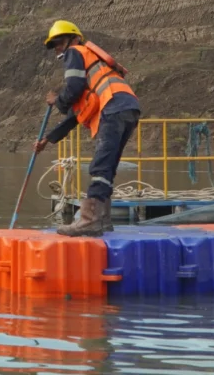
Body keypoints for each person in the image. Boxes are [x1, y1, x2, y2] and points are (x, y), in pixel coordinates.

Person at [33, 20, 141, 237]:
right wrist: (48, 139)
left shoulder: (75, 52)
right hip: (128, 108)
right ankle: (102, 221)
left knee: (100, 167)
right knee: (107, 167)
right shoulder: (92, 67)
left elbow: (72, 89)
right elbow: (75, 114)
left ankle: (89, 221)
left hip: (113, 107)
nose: (58, 48)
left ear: (74, 39)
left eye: (60, 42)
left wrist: (57, 100)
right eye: (54, 45)